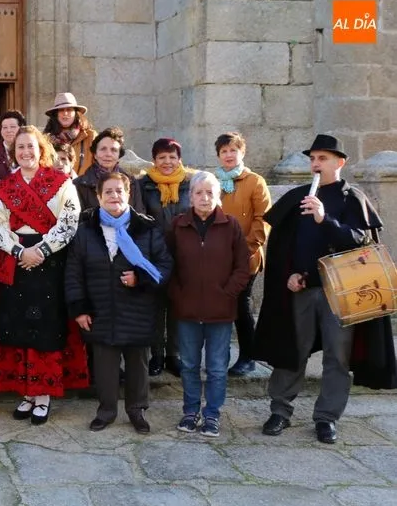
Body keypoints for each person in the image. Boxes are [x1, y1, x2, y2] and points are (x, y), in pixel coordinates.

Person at [255, 134, 397, 444]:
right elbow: (282, 247)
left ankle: (326, 417)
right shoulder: (297, 198)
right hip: (302, 290)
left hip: (341, 294)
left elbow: (361, 241)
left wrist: (324, 218)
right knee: (293, 350)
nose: (316, 164)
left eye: (323, 159)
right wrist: (288, 275)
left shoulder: (352, 198)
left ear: (340, 162)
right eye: (313, 159)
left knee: (338, 356)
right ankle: (280, 410)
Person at [0, 126, 87, 425]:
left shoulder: (61, 183)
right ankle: (26, 393)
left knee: (46, 327)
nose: (26, 152)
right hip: (16, 258)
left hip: (49, 260)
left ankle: (43, 396)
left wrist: (41, 250)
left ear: (42, 149)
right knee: (18, 325)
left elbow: (69, 222)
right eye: (20, 148)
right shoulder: (4, 187)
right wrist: (19, 252)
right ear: (13, 152)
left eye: (31, 146)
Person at [65, 172, 172, 434]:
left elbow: (165, 266)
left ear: (129, 195)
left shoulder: (147, 229)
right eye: (108, 192)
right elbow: (73, 272)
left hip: (138, 309)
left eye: (119, 191)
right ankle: (106, 411)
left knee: (138, 365)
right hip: (101, 309)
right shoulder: (85, 231)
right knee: (105, 367)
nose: (114, 196)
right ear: (99, 197)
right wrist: (79, 309)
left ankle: (137, 411)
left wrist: (140, 279)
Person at [166, 171, 250, 437]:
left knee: (215, 367)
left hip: (220, 312)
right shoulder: (178, 225)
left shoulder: (231, 226)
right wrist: (177, 294)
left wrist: (227, 294)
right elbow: (166, 265)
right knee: (189, 365)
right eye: (199, 193)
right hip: (187, 311)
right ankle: (190, 410)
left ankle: (212, 413)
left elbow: (242, 267)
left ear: (219, 197)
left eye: (210, 193)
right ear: (190, 197)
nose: (204, 198)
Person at [213, 132, 272, 377]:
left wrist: (245, 249)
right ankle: (219, 355)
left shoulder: (255, 181)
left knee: (241, 305)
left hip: (246, 258)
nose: (228, 155)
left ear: (242, 153)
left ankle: (249, 356)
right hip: (216, 258)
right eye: (224, 151)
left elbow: (264, 219)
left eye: (233, 150)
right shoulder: (213, 181)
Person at [140, 138, 193, 377]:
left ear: (179, 159)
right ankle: (157, 355)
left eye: (172, 157)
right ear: (154, 160)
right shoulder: (144, 185)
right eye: (162, 157)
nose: (167, 162)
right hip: (153, 254)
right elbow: (140, 218)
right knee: (154, 306)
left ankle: (174, 355)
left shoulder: (189, 184)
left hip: (183, 254)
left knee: (177, 306)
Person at [73, 127, 144, 213]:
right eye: (103, 149)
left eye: (114, 150)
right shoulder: (79, 184)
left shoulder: (132, 183)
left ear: (119, 155)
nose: (108, 154)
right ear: (95, 154)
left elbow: (139, 215)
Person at [43, 92, 96, 176]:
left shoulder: (90, 137)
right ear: (56, 114)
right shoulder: (45, 140)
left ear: (75, 113)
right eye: (61, 110)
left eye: (69, 109)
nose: (65, 113)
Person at [0, 110, 26, 179]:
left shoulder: (31, 152)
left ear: (21, 128)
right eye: (5, 127)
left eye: (12, 127)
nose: (8, 130)